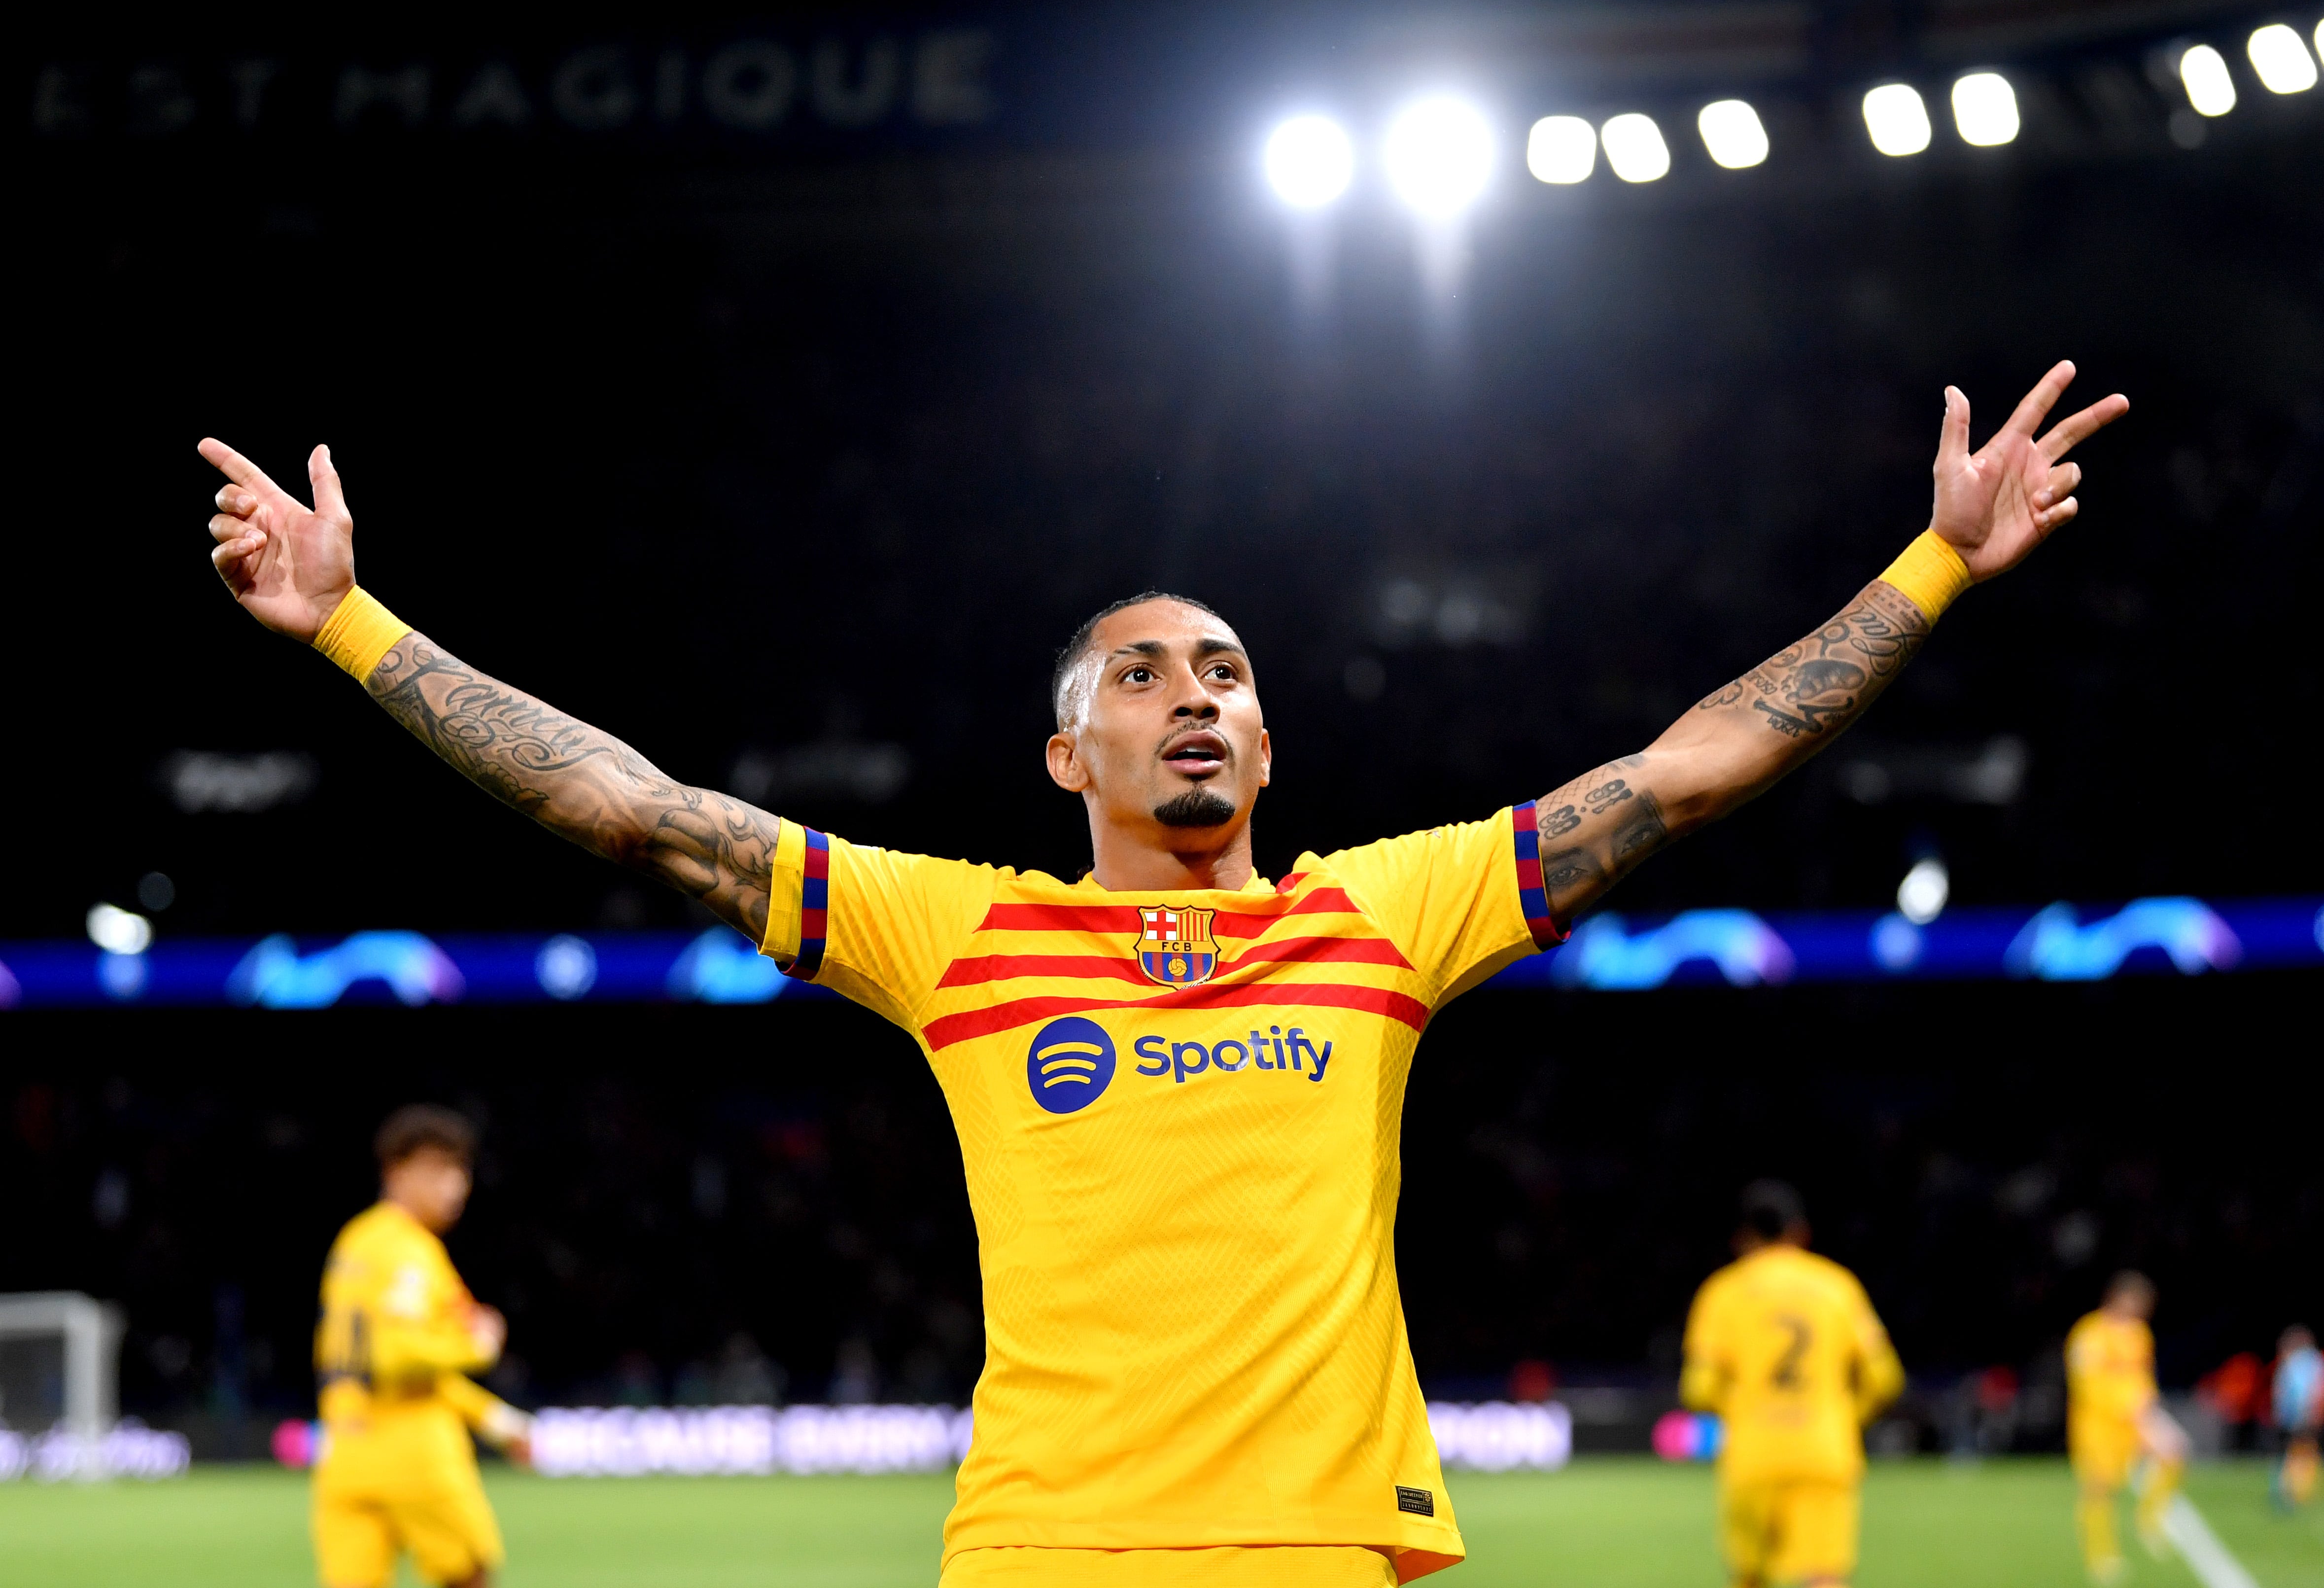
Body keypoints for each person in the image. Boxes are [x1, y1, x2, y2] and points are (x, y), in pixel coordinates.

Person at [199, 360, 2125, 1586]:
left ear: (1267, 750)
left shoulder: (1385, 913)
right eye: (1145, 674)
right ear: (1070, 760)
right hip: (1049, 1549)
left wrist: (1935, 570)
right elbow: (641, 812)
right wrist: (351, 624)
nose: (1194, 695)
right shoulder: (955, 936)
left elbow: (1692, 771)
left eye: (1225, 676)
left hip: (1325, 1550)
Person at [313, 1105, 532, 1588]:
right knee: (469, 1574)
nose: (453, 1187)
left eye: (460, 1172)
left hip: (345, 1449)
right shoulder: (412, 1253)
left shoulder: (356, 1241)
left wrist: (496, 1420)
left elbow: (361, 1358)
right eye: (437, 1172)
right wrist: (479, 1343)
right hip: (413, 1447)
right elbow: (398, 1356)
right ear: (396, 1172)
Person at [1679, 1181, 1904, 1588]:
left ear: (1743, 1238)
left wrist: (1745, 1411)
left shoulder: (1723, 1292)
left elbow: (1698, 1387)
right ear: (1801, 1232)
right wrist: (1846, 1417)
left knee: (1750, 1576)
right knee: (1824, 1576)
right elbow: (1885, 1378)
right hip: (1825, 1447)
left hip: (1754, 1451)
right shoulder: (1838, 1287)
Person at [2065, 1271, 2188, 1584]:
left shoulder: (2140, 1334)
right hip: (2098, 1424)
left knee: (2174, 1449)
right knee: (2100, 1488)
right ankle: (2101, 1554)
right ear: (2116, 1298)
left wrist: (2148, 1402)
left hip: (2135, 1418)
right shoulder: (2090, 1333)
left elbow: (2143, 1376)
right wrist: (2120, 1406)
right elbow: (2085, 1382)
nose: (2138, 1309)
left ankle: (2149, 1519)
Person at [2270, 1324, 2324, 1509]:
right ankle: (2301, 1489)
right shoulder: (2311, 1361)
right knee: (2303, 1451)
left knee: (2299, 1452)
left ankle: (2297, 1490)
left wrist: (2309, 1413)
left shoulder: (2303, 1362)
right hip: (2301, 1416)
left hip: (2301, 1416)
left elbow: (2307, 1392)